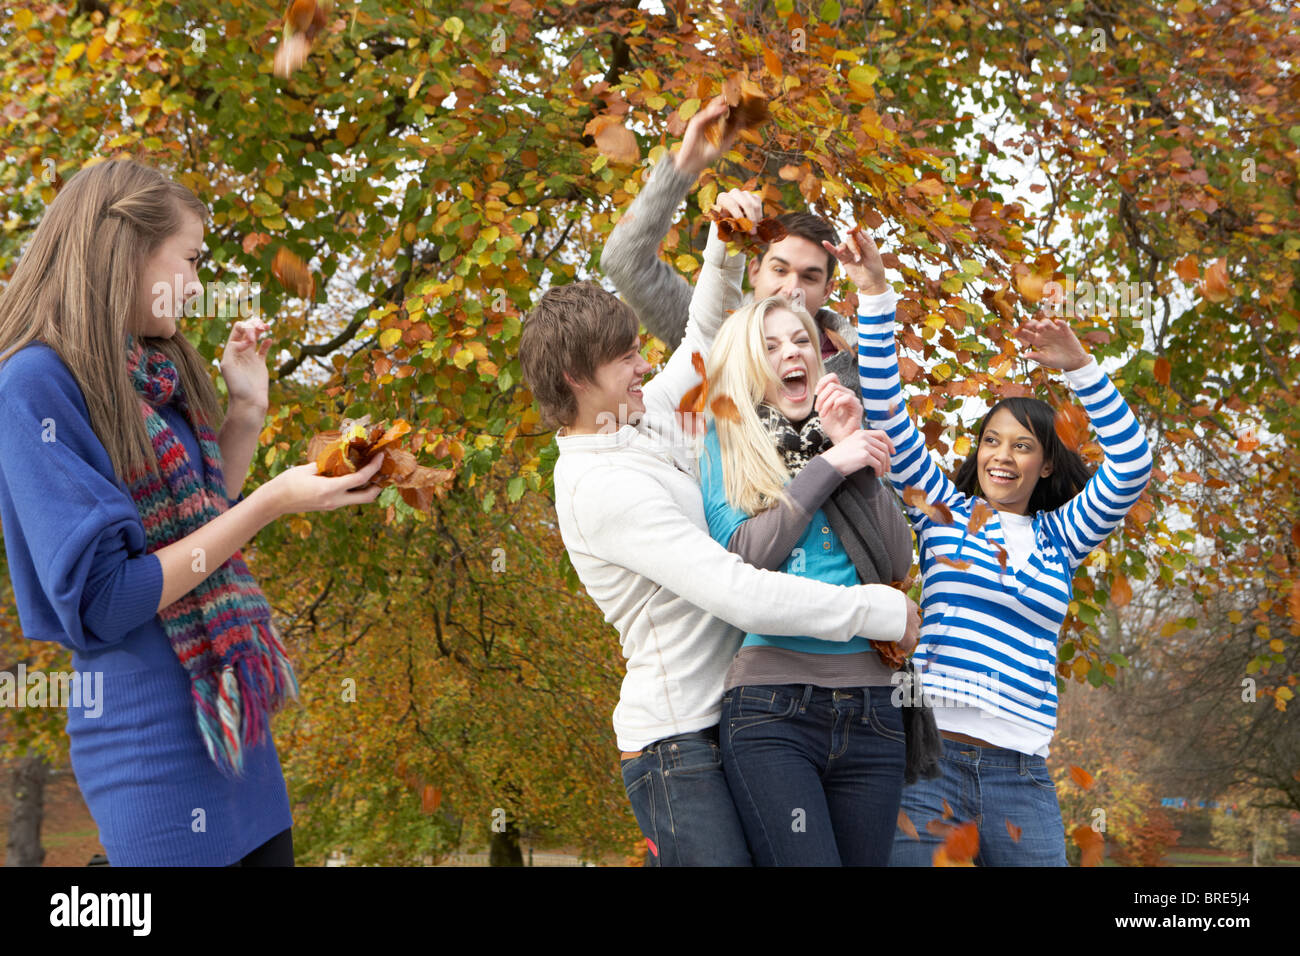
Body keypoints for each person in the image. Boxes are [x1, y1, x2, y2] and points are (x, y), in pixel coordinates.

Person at [0, 159, 387, 866]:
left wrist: (246, 412)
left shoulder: (148, 372)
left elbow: (202, 530)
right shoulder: (34, 385)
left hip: (238, 739)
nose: (198, 285)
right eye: (191, 259)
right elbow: (110, 599)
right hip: (151, 750)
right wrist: (274, 501)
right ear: (128, 250)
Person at [838, 230, 1153, 865]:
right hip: (933, 763)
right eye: (991, 440)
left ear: (1043, 465)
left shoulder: (1062, 536)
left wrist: (1081, 368)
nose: (1002, 456)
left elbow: (1132, 464)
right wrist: (874, 294)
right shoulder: (945, 512)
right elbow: (888, 413)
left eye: (1022, 445)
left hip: (1022, 776)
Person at [697, 289, 920, 865]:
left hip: (874, 704)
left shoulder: (847, 439)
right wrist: (829, 466)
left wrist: (856, 456)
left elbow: (896, 564)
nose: (791, 353)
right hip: (773, 707)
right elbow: (745, 557)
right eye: (769, 347)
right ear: (749, 369)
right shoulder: (727, 444)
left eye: (801, 341)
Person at [600, 96, 863, 394]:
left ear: (828, 290)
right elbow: (624, 260)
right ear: (753, 271)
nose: (792, 288)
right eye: (779, 269)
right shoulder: (710, 329)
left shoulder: (861, 363)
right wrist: (684, 167)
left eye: (810, 276)